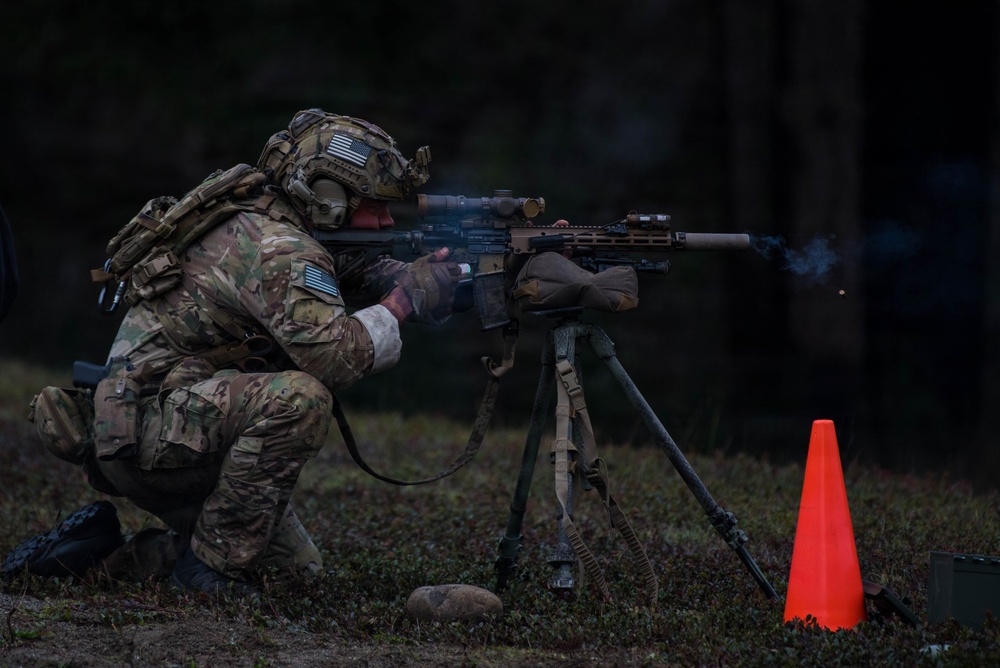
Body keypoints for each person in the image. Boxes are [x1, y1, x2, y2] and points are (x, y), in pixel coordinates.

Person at [3, 109, 464, 593]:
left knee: (292, 574)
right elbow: (333, 357)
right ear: (329, 197)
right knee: (300, 398)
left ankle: (93, 559)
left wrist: (420, 280)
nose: (388, 219)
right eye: (377, 206)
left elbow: (348, 266)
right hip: (154, 439)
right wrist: (403, 301)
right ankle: (208, 574)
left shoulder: (263, 215)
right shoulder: (280, 247)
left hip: (149, 427)